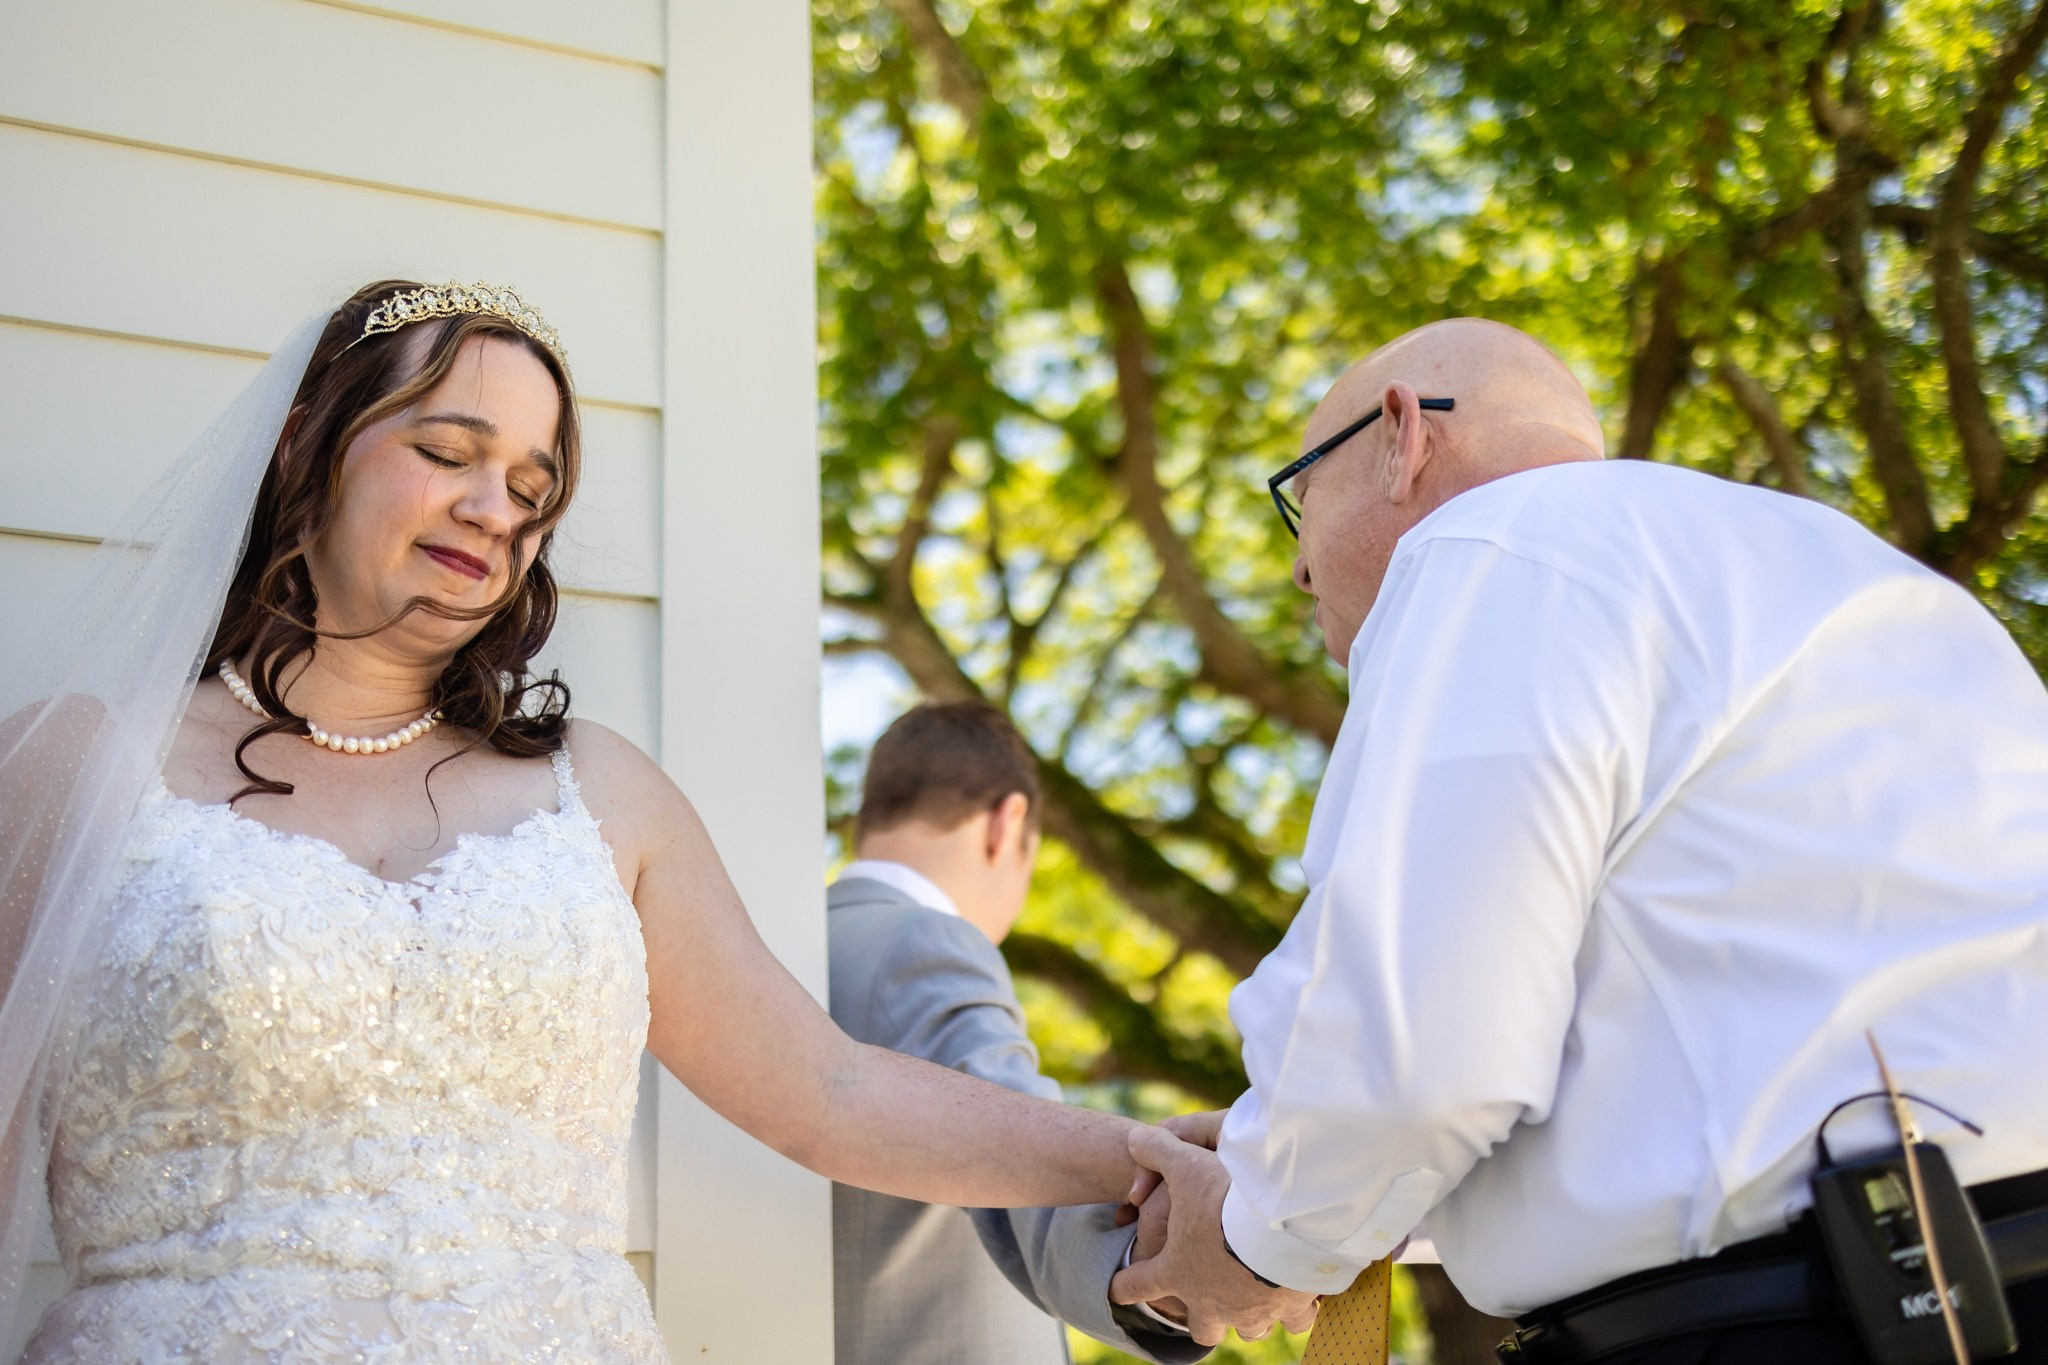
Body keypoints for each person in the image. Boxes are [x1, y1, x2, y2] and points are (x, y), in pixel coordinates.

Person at [0, 281, 1148, 1363]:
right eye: (446, 452)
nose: (492, 508)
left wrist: (1142, 1155)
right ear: (304, 442)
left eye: (530, 488)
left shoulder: (600, 796)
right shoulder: (76, 765)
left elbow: (832, 1095)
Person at [1112, 318, 2048, 1361]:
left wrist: (1252, 1236)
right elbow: (1669, 1086)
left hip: (1773, 1326)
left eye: (1298, 498)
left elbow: (1420, 1056)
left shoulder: (1486, 547)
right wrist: (1265, 1148)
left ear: (1400, 435)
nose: (1295, 571)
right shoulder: (1886, 589)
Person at [828, 701, 1206, 1365]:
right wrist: (1172, 1269)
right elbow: (1023, 1168)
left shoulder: (771, 954)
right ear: (1009, 824)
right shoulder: (927, 943)